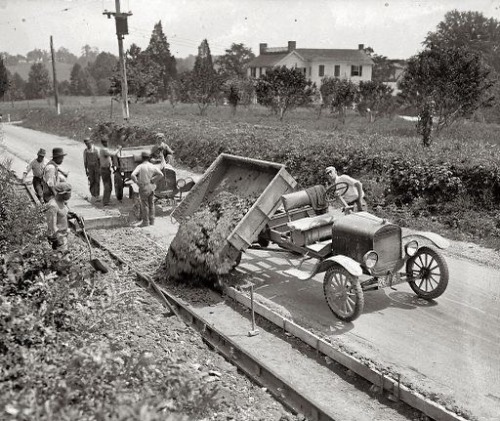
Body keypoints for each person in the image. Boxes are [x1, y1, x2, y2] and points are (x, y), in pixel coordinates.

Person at [131, 151, 164, 227]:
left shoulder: (140, 166)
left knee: (145, 205)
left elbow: (132, 175)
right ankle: (152, 221)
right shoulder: (152, 166)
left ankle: (145, 222)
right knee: (151, 204)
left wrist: (137, 182)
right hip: (151, 186)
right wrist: (153, 180)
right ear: (149, 158)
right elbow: (161, 175)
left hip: (144, 187)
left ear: (142, 158)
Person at [46, 182, 73, 252]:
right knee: (61, 257)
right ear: (62, 194)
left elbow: (62, 214)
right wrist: (58, 239)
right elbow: (51, 225)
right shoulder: (53, 206)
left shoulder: (62, 202)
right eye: (68, 194)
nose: (70, 196)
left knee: (64, 256)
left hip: (63, 233)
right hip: (58, 235)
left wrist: (72, 215)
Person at [99, 139, 121, 206]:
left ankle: (107, 200)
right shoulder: (104, 150)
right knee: (107, 186)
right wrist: (118, 149)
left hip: (106, 169)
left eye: (106, 142)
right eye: (105, 142)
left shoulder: (104, 149)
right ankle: (106, 202)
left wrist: (115, 150)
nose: (106, 143)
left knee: (109, 186)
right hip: (105, 169)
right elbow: (113, 154)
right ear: (103, 143)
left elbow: (111, 153)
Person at [83, 137, 101, 202]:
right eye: (86, 144)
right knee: (92, 181)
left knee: (97, 181)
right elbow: (85, 161)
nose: (87, 145)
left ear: (91, 142)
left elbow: (99, 159)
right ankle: (93, 195)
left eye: (88, 143)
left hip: (96, 167)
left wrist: (100, 168)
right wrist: (86, 170)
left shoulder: (96, 149)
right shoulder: (85, 151)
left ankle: (97, 195)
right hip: (90, 168)